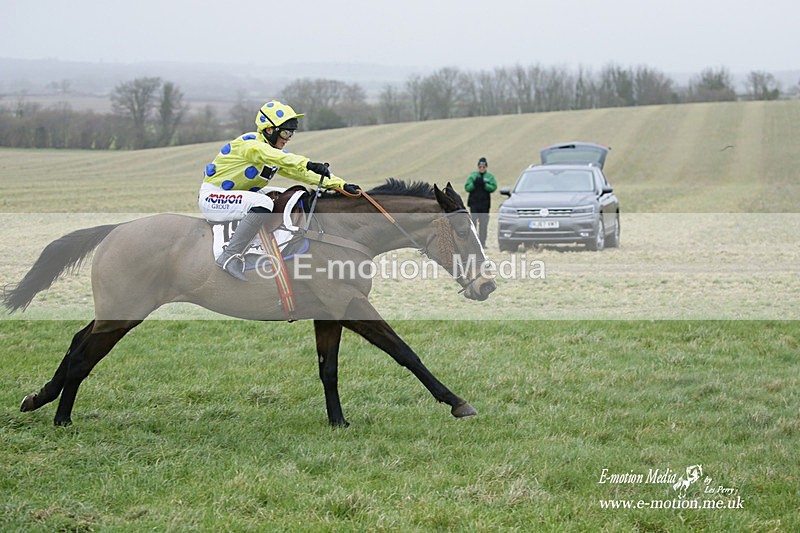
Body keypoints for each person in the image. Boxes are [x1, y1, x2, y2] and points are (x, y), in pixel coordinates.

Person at [199, 100, 360, 280]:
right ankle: (229, 256)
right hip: (214, 198)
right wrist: (308, 163)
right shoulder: (250, 144)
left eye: (291, 133)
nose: (288, 138)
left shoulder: (272, 151)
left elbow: (301, 173)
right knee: (264, 203)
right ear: (269, 130)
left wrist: (340, 185)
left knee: (293, 195)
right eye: (285, 132)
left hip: (241, 195)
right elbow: (277, 157)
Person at [464, 157, 497, 247]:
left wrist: (485, 185)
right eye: (480, 166)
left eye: (483, 166)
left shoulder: (489, 177)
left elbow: (493, 187)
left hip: (484, 204)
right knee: (473, 222)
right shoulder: (473, 176)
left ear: (486, 167)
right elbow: (467, 188)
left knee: (483, 224)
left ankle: (482, 242)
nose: (482, 168)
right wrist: (474, 184)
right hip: (474, 203)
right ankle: (473, 242)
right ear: (478, 166)